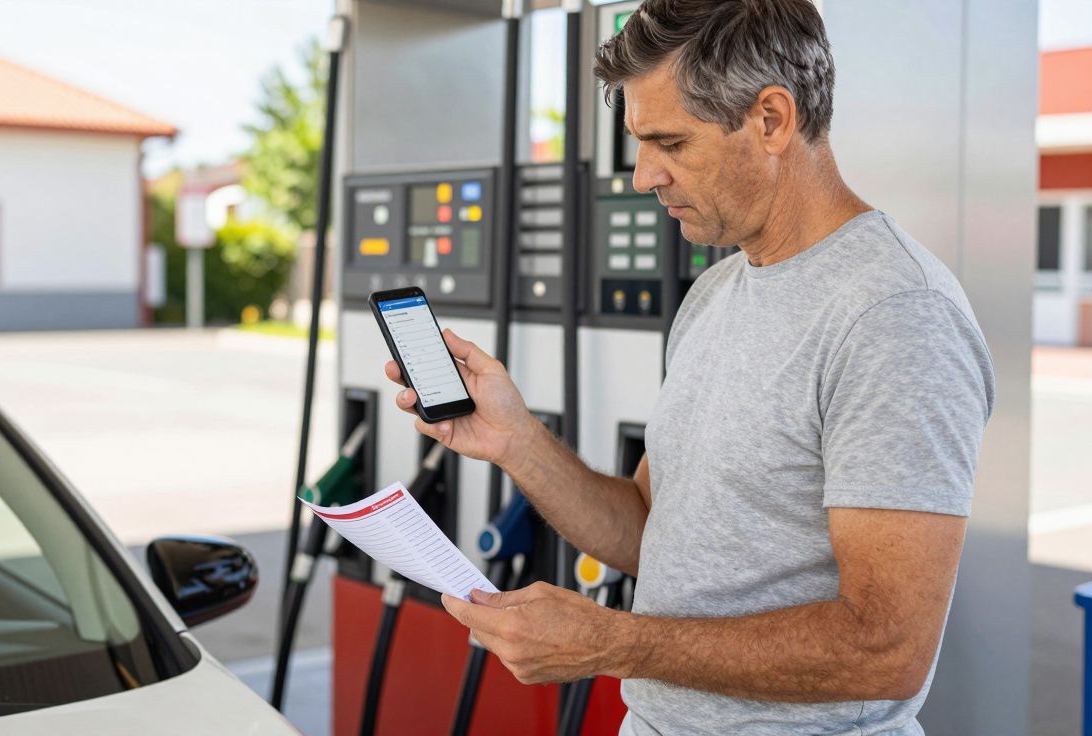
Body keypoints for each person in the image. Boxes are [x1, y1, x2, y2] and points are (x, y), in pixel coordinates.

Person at [382, 0, 996, 733]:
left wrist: (610, 642)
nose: (644, 176)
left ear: (771, 119)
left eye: (669, 142)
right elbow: (651, 532)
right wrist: (514, 440)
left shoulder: (894, 314)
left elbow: (885, 648)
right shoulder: (715, 292)